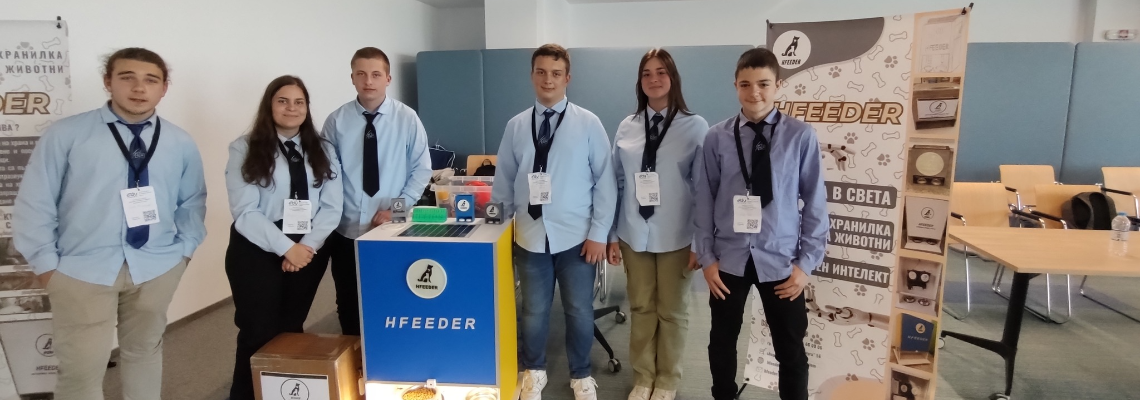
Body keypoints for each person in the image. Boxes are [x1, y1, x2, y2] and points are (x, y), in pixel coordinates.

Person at [13, 47, 207, 399]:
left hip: (156, 267)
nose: (139, 88)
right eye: (127, 77)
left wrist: (183, 254)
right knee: (80, 372)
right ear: (108, 81)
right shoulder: (67, 134)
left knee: (144, 354)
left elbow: (192, 201)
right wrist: (47, 267)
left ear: (164, 88)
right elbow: (35, 202)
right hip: (81, 271)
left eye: (151, 80)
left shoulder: (180, 141)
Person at [694, 47, 829, 400]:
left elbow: (815, 202)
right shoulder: (716, 137)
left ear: (778, 85)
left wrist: (806, 263)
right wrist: (707, 258)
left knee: (790, 348)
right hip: (729, 259)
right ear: (735, 86)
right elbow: (704, 199)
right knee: (721, 342)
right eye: (746, 84)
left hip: (781, 260)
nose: (754, 93)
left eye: (764, 84)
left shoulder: (800, 136)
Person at [491, 43, 617, 400]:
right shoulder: (517, 126)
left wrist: (599, 233)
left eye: (556, 73)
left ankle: (581, 374)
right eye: (542, 72)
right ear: (532, 75)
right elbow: (504, 181)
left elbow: (606, 182)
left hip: (577, 237)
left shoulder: (588, 123)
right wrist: (499, 231)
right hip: (529, 235)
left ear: (567, 78)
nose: (549, 79)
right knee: (533, 310)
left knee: (579, 310)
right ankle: (534, 370)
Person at [224, 75, 343, 400]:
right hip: (256, 246)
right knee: (257, 331)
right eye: (283, 101)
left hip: (309, 245)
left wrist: (306, 246)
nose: (292, 108)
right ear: (269, 106)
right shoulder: (244, 147)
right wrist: (286, 248)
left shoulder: (323, 149)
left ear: (307, 108)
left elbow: (332, 207)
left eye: (299, 102)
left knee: (291, 327)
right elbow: (245, 211)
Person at [605, 48, 708, 400]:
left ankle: (667, 380)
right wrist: (611, 234)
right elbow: (616, 183)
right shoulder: (627, 126)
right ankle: (643, 376)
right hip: (633, 232)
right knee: (641, 307)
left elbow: (704, 189)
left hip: (678, 235)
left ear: (673, 78)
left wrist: (701, 243)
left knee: (673, 312)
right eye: (646, 73)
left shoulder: (695, 126)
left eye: (661, 72)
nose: (654, 79)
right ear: (640, 81)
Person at [321, 47, 432, 336]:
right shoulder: (336, 121)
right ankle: (354, 354)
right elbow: (328, 175)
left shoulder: (407, 119)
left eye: (375, 74)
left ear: (388, 79)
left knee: (393, 294)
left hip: (392, 228)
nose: (368, 81)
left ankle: (391, 353)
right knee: (348, 300)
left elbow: (421, 170)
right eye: (361, 74)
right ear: (352, 78)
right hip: (346, 229)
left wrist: (396, 210)